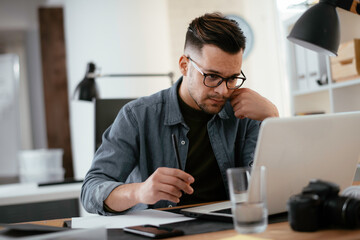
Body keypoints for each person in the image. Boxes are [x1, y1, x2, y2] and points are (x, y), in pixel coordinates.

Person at [81, 12, 279, 215]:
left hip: (229, 229)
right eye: (212, 76)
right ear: (185, 66)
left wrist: (272, 119)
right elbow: (90, 191)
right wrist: (139, 192)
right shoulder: (137, 116)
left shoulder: (247, 114)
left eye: (232, 78)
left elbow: (267, 187)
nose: (223, 90)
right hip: (164, 232)